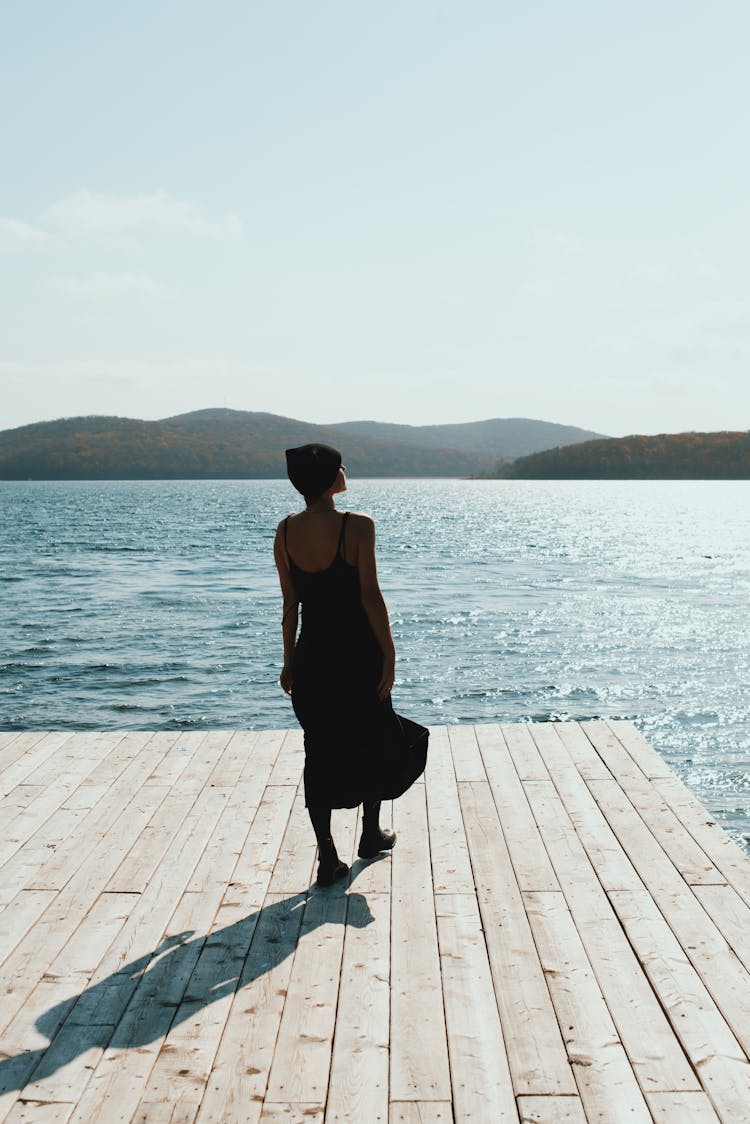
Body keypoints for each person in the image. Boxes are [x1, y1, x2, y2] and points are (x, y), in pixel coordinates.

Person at [273, 442, 402, 886]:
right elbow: (370, 595)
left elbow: (290, 605)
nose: (345, 470)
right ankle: (369, 833)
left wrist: (289, 662)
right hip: (358, 655)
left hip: (313, 657)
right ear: (330, 481)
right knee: (373, 739)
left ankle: (328, 856)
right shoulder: (359, 527)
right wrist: (389, 652)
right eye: (339, 467)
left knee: (320, 752)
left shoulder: (285, 531)